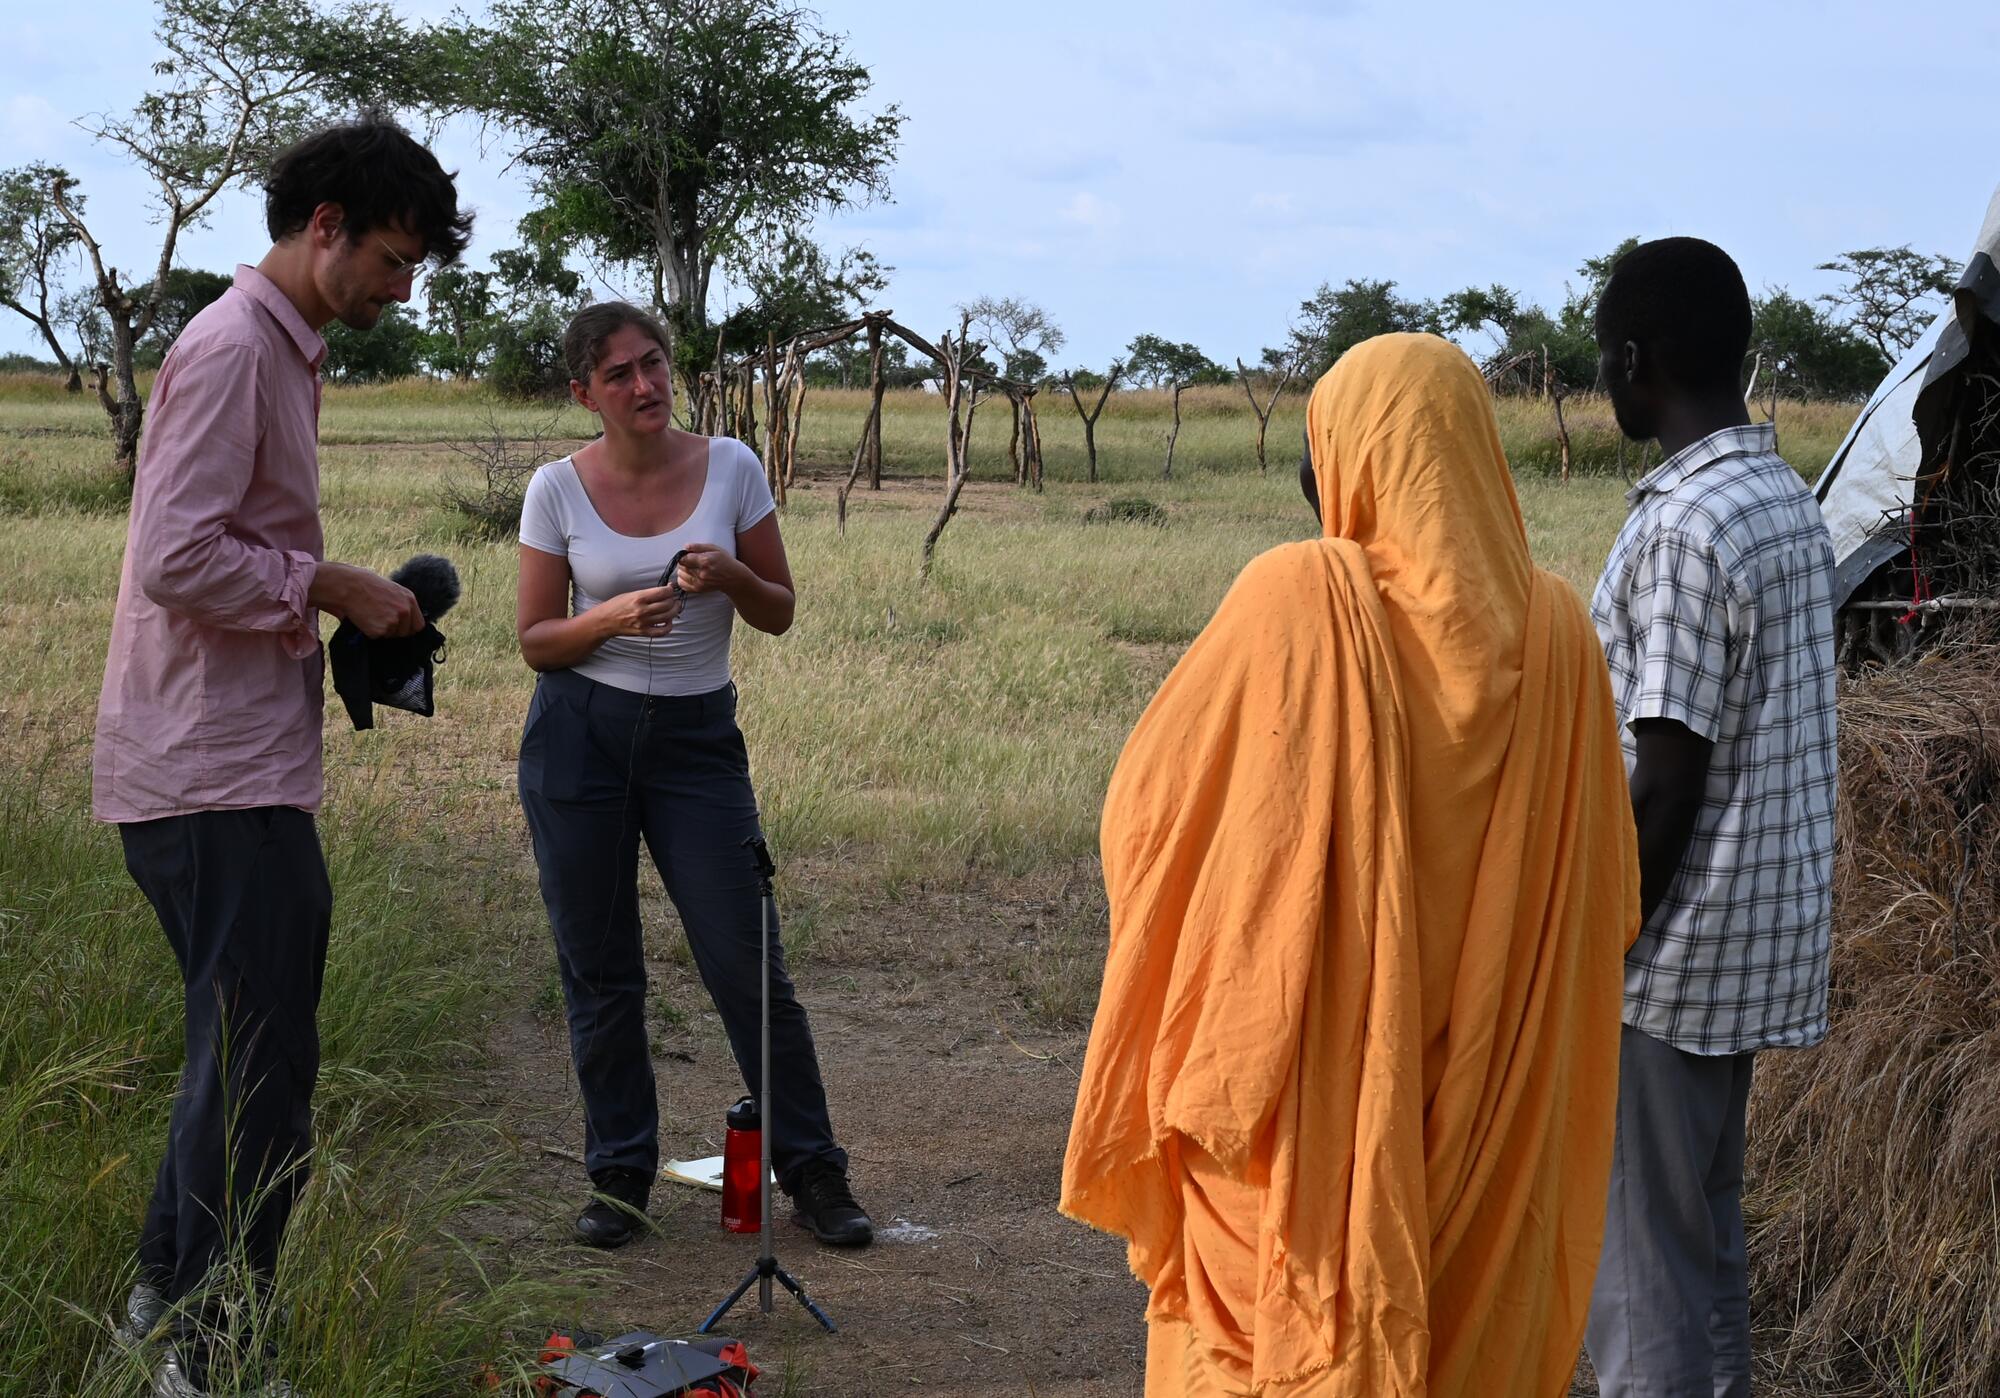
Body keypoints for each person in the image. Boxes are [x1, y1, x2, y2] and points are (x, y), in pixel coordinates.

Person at [1062, 333, 1641, 1397]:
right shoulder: (1562, 637)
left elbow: (1146, 814)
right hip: (1489, 1136)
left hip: (1299, 1145)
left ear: (1345, 456)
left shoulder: (1298, 597)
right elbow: (1609, 903)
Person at [93, 120, 472, 1395]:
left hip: (232, 762)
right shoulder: (230, 349)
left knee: (237, 1049)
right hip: (209, 769)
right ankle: (213, 1353)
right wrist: (326, 584)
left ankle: (159, 1308)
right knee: (263, 1073)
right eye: (392, 257)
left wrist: (333, 595)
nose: (400, 287)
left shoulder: (277, 350)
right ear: (324, 228)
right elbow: (174, 558)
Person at [515, 302, 872, 1251]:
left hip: (696, 745)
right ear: (584, 393)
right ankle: (621, 1173)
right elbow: (537, 641)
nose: (645, 385)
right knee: (600, 968)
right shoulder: (555, 489)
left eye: (654, 363)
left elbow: (780, 611)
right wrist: (612, 620)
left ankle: (814, 1171)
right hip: (578, 739)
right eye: (620, 374)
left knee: (747, 962)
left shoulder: (734, 467)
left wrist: (731, 579)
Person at [1583, 238, 1838, 1398]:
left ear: (1633, 363)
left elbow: (1666, 773)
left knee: (1642, 1284)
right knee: (1705, 1245)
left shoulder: (1681, 526)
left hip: (1669, 966)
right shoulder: (1779, 494)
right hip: (1753, 950)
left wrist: (1600, 941)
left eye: (1601, 359)